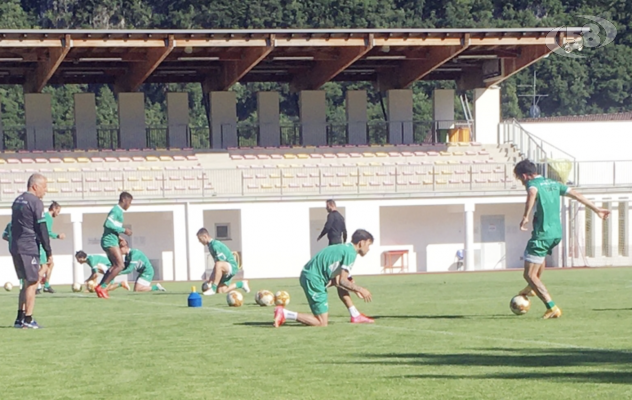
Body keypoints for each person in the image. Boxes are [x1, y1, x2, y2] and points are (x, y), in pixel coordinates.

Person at [514, 159, 610, 319]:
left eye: (520, 179)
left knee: (529, 275)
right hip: (556, 234)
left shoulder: (533, 185)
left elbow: (531, 193)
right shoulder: (553, 183)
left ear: (525, 176)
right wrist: (596, 209)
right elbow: (576, 194)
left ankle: (551, 307)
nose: (521, 182)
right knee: (539, 260)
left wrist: (525, 216)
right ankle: (532, 288)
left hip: (542, 234)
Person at [274, 229, 374, 328]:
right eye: (368, 245)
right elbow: (343, 281)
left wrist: (353, 287)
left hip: (310, 275)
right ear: (361, 243)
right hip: (314, 279)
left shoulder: (344, 248)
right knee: (321, 322)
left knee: (339, 285)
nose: (369, 249)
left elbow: (339, 280)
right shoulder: (351, 253)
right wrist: (361, 289)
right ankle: (285, 313)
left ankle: (355, 315)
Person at [10, 173, 51, 329]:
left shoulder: (17, 201)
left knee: (25, 283)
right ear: (35, 186)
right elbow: (42, 228)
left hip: (16, 246)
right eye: (44, 187)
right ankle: (28, 319)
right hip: (28, 247)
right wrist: (48, 252)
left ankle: (19, 318)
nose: (45, 191)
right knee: (33, 283)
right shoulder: (36, 202)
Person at [95, 191, 133, 299]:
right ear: (124, 200)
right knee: (120, 265)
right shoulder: (116, 210)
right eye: (129, 202)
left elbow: (111, 229)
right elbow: (107, 224)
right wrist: (123, 230)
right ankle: (102, 287)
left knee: (114, 266)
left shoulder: (119, 212)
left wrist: (120, 238)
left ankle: (100, 287)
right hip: (109, 242)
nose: (130, 205)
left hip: (111, 240)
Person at [196, 228, 250, 296]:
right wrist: (210, 281)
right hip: (225, 268)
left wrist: (211, 282)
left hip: (231, 266)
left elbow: (219, 263)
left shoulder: (215, 245)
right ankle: (241, 284)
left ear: (205, 236)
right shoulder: (210, 246)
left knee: (218, 264)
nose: (199, 241)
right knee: (221, 290)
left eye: (200, 239)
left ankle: (213, 289)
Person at [37, 201, 65, 294]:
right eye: (58, 211)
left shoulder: (46, 217)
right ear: (54, 209)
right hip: (41, 245)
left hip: (43, 246)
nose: (58, 213)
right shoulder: (47, 217)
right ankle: (36, 286)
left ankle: (46, 285)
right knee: (44, 267)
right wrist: (57, 236)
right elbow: (46, 232)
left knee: (50, 264)